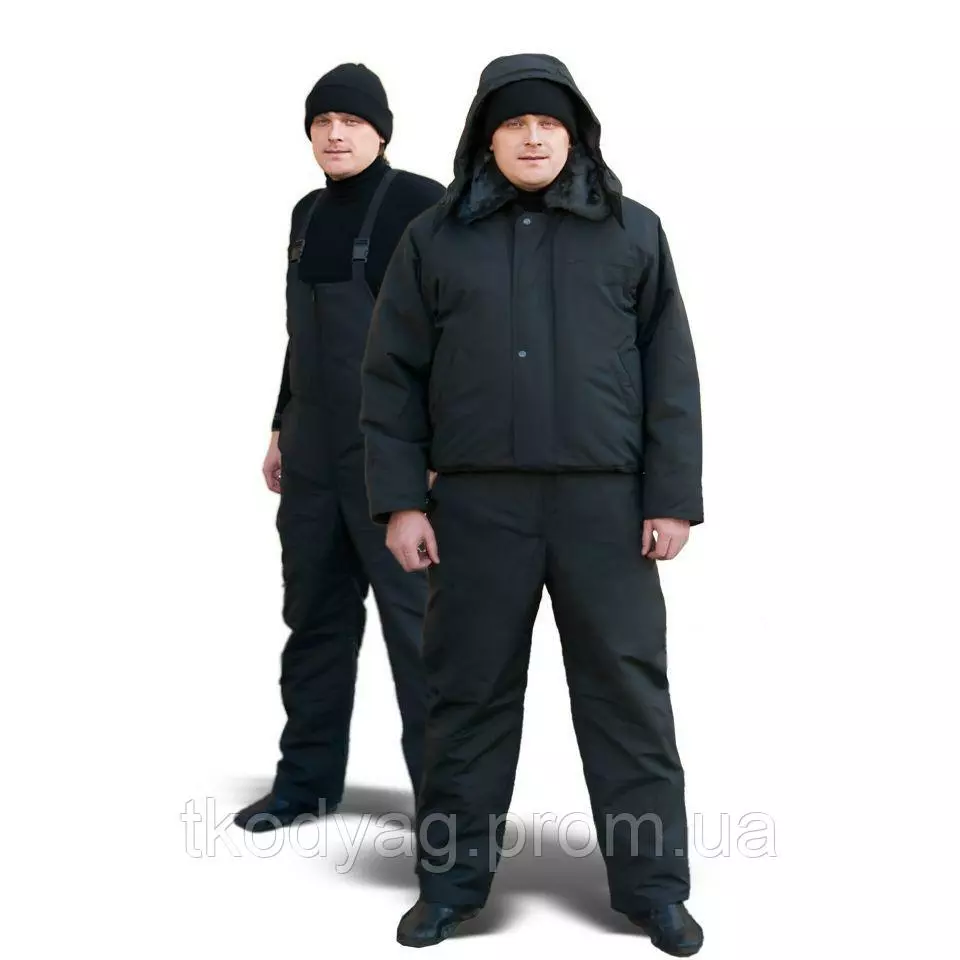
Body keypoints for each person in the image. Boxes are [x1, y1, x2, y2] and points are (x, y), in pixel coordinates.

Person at [360, 54, 705, 954]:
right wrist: (400, 502)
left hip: (607, 509)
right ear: (486, 137)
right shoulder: (434, 238)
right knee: (466, 699)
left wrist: (671, 499)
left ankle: (654, 890)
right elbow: (391, 377)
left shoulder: (632, 231)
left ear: (576, 134)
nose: (532, 137)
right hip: (477, 509)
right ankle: (449, 887)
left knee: (628, 700)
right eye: (513, 123)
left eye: (549, 122)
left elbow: (670, 371)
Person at [234, 63, 445, 833]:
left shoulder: (422, 204)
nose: (334, 133)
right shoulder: (306, 212)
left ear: (381, 132)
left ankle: (447, 809)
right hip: (313, 454)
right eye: (322, 121)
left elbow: (454, 333)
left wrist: (435, 456)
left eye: (351, 121)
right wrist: (280, 423)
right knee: (313, 622)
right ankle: (306, 784)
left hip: (391, 459)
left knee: (421, 636)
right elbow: (303, 335)